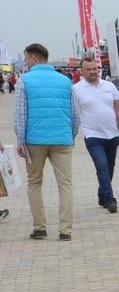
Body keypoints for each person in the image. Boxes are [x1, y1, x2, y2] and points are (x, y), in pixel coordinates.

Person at [13, 43, 81, 240]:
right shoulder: (65, 81)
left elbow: (20, 114)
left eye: (26, 59)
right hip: (62, 140)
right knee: (65, 183)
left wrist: (21, 140)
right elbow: (76, 114)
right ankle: (65, 230)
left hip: (35, 141)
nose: (25, 62)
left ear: (34, 58)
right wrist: (70, 135)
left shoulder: (24, 80)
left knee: (34, 182)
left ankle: (40, 228)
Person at [71, 57, 119, 213]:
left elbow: (118, 110)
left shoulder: (109, 86)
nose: (93, 72)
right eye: (89, 69)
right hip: (93, 136)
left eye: (95, 69)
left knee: (110, 167)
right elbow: (72, 114)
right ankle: (110, 199)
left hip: (112, 135)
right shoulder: (76, 89)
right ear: (82, 71)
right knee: (102, 166)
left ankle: (102, 194)